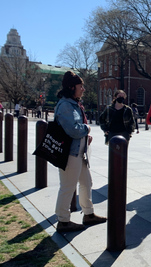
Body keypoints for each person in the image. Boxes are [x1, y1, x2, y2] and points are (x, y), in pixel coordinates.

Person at [54, 71, 107, 232]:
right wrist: (87, 129)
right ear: (71, 87)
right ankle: (63, 220)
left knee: (86, 182)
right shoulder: (65, 105)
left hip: (78, 151)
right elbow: (74, 130)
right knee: (68, 186)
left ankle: (88, 214)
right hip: (70, 153)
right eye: (80, 86)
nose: (83, 89)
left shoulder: (73, 103)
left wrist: (85, 137)